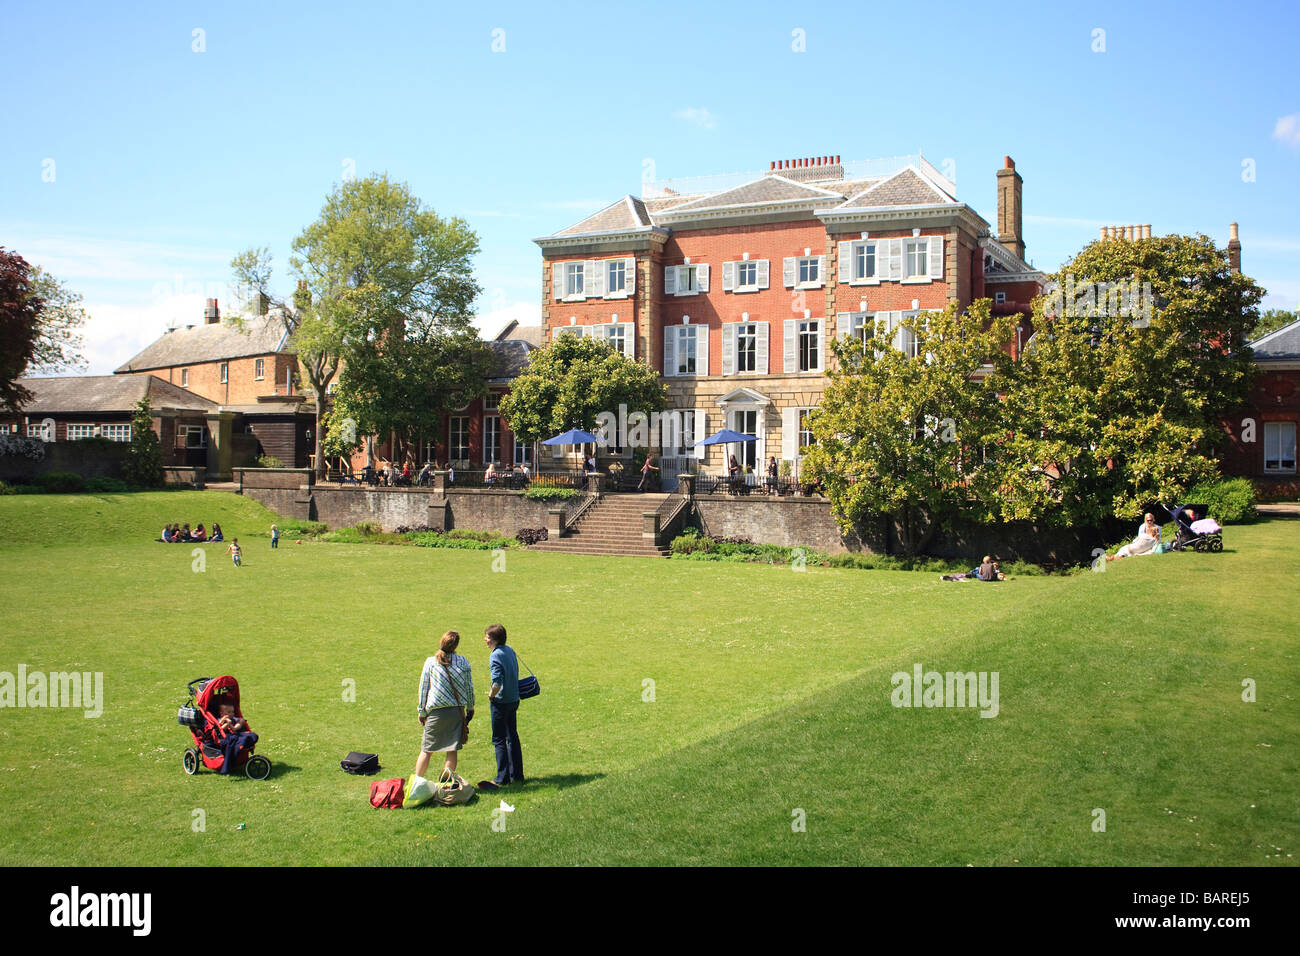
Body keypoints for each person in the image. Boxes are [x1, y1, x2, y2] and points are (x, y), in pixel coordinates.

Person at [415, 630, 476, 782]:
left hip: (435, 712)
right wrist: (470, 707)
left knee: (426, 750)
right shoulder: (463, 662)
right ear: (456, 645)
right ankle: (444, 785)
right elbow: (469, 687)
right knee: (451, 749)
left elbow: (423, 688)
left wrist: (421, 711)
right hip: (456, 711)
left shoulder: (430, 662)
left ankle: (417, 783)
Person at [479, 623, 522, 790]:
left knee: (498, 739)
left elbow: (497, 682)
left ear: (495, 640)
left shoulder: (495, 656)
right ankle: (516, 774)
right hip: (514, 699)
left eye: (488, 638)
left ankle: (502, 778)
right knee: (513, 737)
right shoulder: (509, 650)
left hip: (501, 701)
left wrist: (491, 695)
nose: (485, 640)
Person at [215, 702, 257, 775]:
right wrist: (225, 723)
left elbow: (236, 728)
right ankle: (228, 766)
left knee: (252, 735)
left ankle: (240, 745)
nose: (232, 714)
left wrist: (232, 726)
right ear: (221, 713)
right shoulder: (218, 720)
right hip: (225, 737)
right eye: (229, 712)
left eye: (233, 712)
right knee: (231, 741)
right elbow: (219, 730)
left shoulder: (235, 719)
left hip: (236, 733)